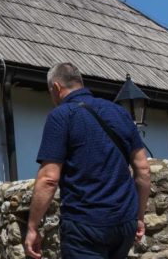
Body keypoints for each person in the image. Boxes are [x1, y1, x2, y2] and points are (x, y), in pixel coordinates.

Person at [24, 63, 151, 259]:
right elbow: (143, 169)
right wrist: (139, 217)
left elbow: (49, 179)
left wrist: (32, 227)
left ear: (56, 88)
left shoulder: (61, 116)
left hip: (84, 224)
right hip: (124, 221)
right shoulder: (119, 112)